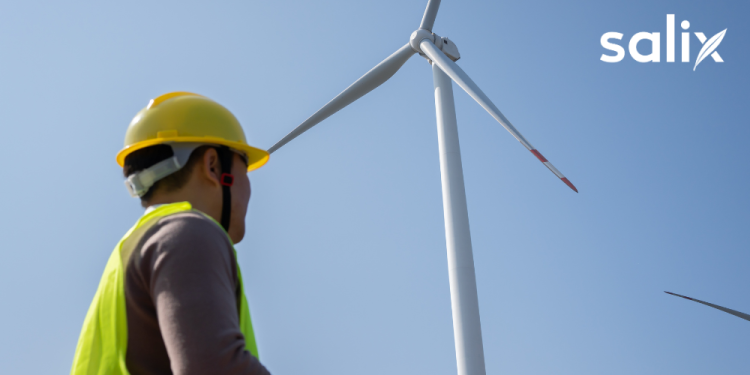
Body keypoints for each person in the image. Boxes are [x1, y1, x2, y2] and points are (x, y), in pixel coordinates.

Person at [71, 92, 272, 375]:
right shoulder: (186, 234)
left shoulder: (133, 249)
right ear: (213, 166)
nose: (249, 187)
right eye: (244, 166)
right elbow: (213, 368)